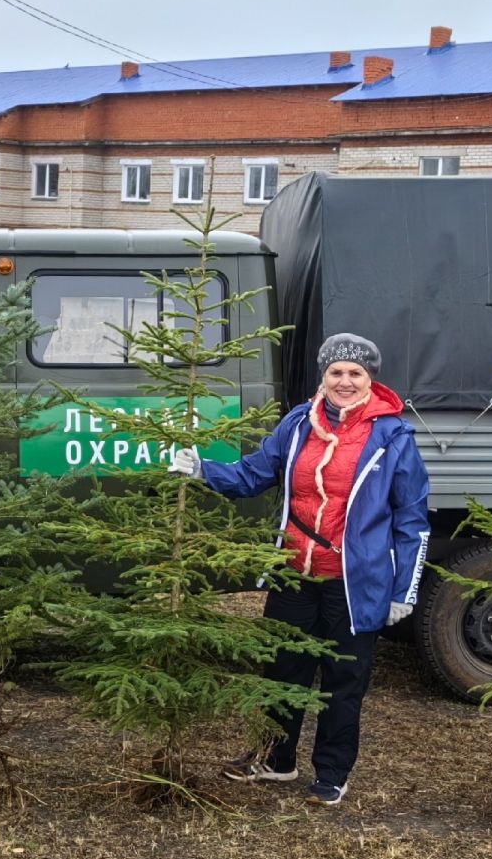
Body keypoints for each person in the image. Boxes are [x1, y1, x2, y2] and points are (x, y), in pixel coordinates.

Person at [171, 332, 431, 807]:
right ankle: (276, 759)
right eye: (336, 372)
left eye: (356, 373)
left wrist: (404, 591)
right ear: (323, 376)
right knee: (282, 671)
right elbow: (254, 474)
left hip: (355, 585)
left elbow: (412, 521)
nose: (345, 381)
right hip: (294, 575)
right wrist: (204, 469)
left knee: (342, 683)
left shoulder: (392, 436)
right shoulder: (298, 424)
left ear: (371, 380)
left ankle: (332, 772)